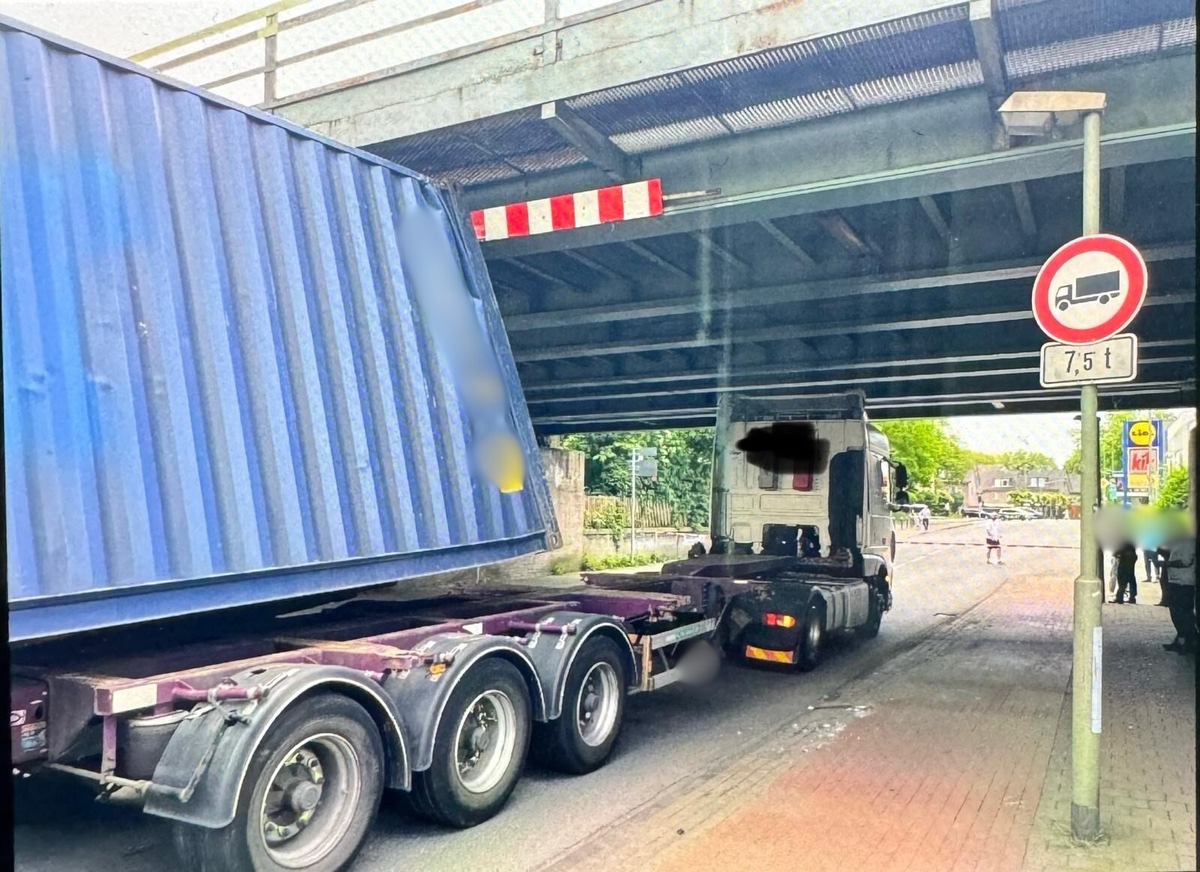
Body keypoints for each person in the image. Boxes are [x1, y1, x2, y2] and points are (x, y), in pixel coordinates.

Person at [1162, 536, 1196, 655]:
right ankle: (1181, 640)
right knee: (1176, 612)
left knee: (1183, 614)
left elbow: (1186, 561)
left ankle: (1188, 642)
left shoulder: (1190, 541)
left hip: (1185, 581)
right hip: (1176, 580)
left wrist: (1169, 563)